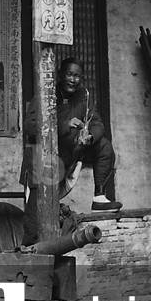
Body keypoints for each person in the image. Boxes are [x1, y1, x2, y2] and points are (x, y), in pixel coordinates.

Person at [56, 58, 122, 211]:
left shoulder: (83, 95)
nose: (73, 80)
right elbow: (33, 125)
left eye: (77, 76)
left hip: (77, 148)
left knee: (104, 146)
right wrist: (65, 124)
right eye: (69, 74)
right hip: (57, 152)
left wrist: (90, 137)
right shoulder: (49, 93)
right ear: (60, 75)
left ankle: (99, 197)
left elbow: (97, 122)